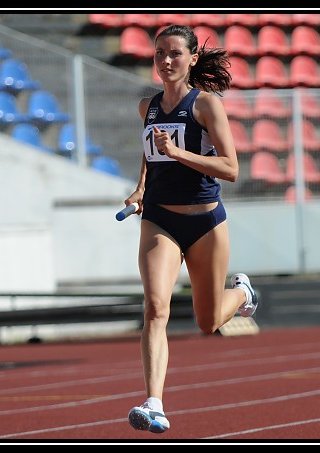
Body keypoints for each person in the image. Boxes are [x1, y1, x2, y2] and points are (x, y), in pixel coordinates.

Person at [122, 24, 259, 434]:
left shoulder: (206, 105)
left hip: (204, 223)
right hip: (159, 219)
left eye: (175, 53)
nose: (165, 60)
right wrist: (140, 188)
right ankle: (154, 403)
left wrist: (177, 152)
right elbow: (150, 151)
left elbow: (231, 169)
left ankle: (243, 293)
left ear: (192, 58)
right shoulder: (146, 107)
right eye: (159, 53)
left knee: (207, 322)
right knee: (155, 308)